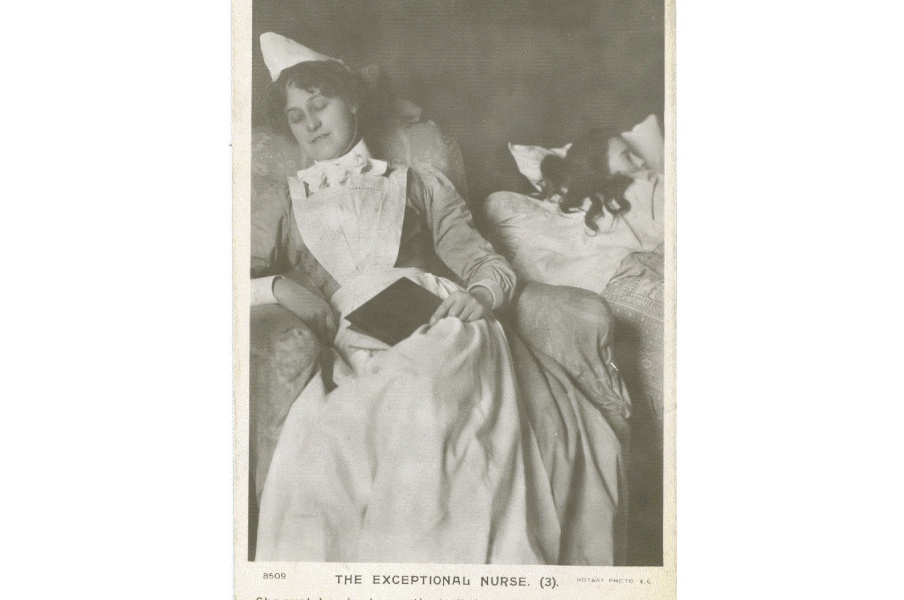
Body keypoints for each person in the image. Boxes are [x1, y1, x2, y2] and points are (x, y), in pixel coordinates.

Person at [250, 33, 625, 564]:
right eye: (294, 116)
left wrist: (480, 294)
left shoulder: (420, 182)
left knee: (430, 380)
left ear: (352, 100)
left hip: (440, 320)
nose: (309, 123)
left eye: (320, 104)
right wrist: (277, 287)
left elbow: (484, 261)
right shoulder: (283, 201)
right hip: (357, 341)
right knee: (350, 435)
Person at [484, 125, 664, 294]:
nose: (641, 161)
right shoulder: (583, 206)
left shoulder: (649, 181)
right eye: (627, 156)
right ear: (600, 168)